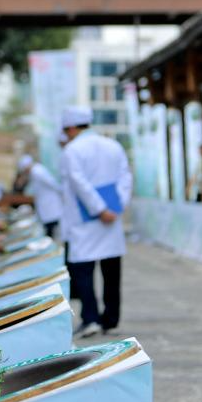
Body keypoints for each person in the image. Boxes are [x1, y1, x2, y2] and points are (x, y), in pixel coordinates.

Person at [60, 105, 133, 338]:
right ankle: (111, 319)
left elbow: (79, 183)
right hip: (111, 216)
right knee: (111, 270)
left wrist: (98, 209)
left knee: (83, 270)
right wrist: (115, 206)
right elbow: (125, 177)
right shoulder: (113, 146)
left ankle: (90, 318)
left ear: (71, 128)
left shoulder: (72, 150)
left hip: (85, 220)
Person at [16, 154, 63, 237]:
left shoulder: (37, 171)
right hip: (45, 203)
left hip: (49, 202)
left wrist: (61, 192)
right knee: (49, 226)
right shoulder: (33, 172)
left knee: (52, 226)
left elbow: (51, 182)